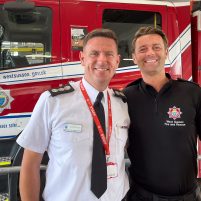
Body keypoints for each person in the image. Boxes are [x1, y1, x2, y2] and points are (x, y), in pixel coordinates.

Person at [17, 28, 130, 201]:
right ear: (82, 59)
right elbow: (30, 165)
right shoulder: (53, 101)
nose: (102, 60)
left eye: (109, 54)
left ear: (117, 61)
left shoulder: (123, 103)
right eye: (94, 53)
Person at [124, 26, 201, 201]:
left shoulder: (192, 93)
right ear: (134, 57)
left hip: (186, 197)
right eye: (142, 49)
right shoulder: (126, 97)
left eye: (156, 47)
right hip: (140, 196)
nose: (150, 53)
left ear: (166, 52)